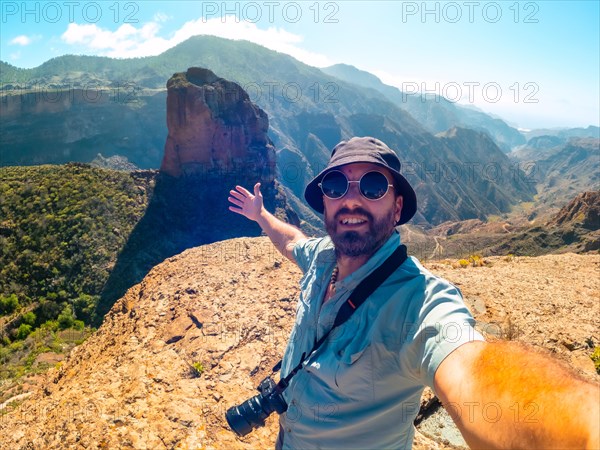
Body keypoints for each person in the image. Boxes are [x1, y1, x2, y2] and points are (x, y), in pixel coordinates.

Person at [228, 136, 599, 449]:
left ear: (397, 206)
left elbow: (472, 369)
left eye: (373, 186)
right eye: (336, 186)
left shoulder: (418, 301)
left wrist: (583, 429)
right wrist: (261, 216)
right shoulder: (322, 256)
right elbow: (293, 241)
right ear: (324, 201)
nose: (351, 200)